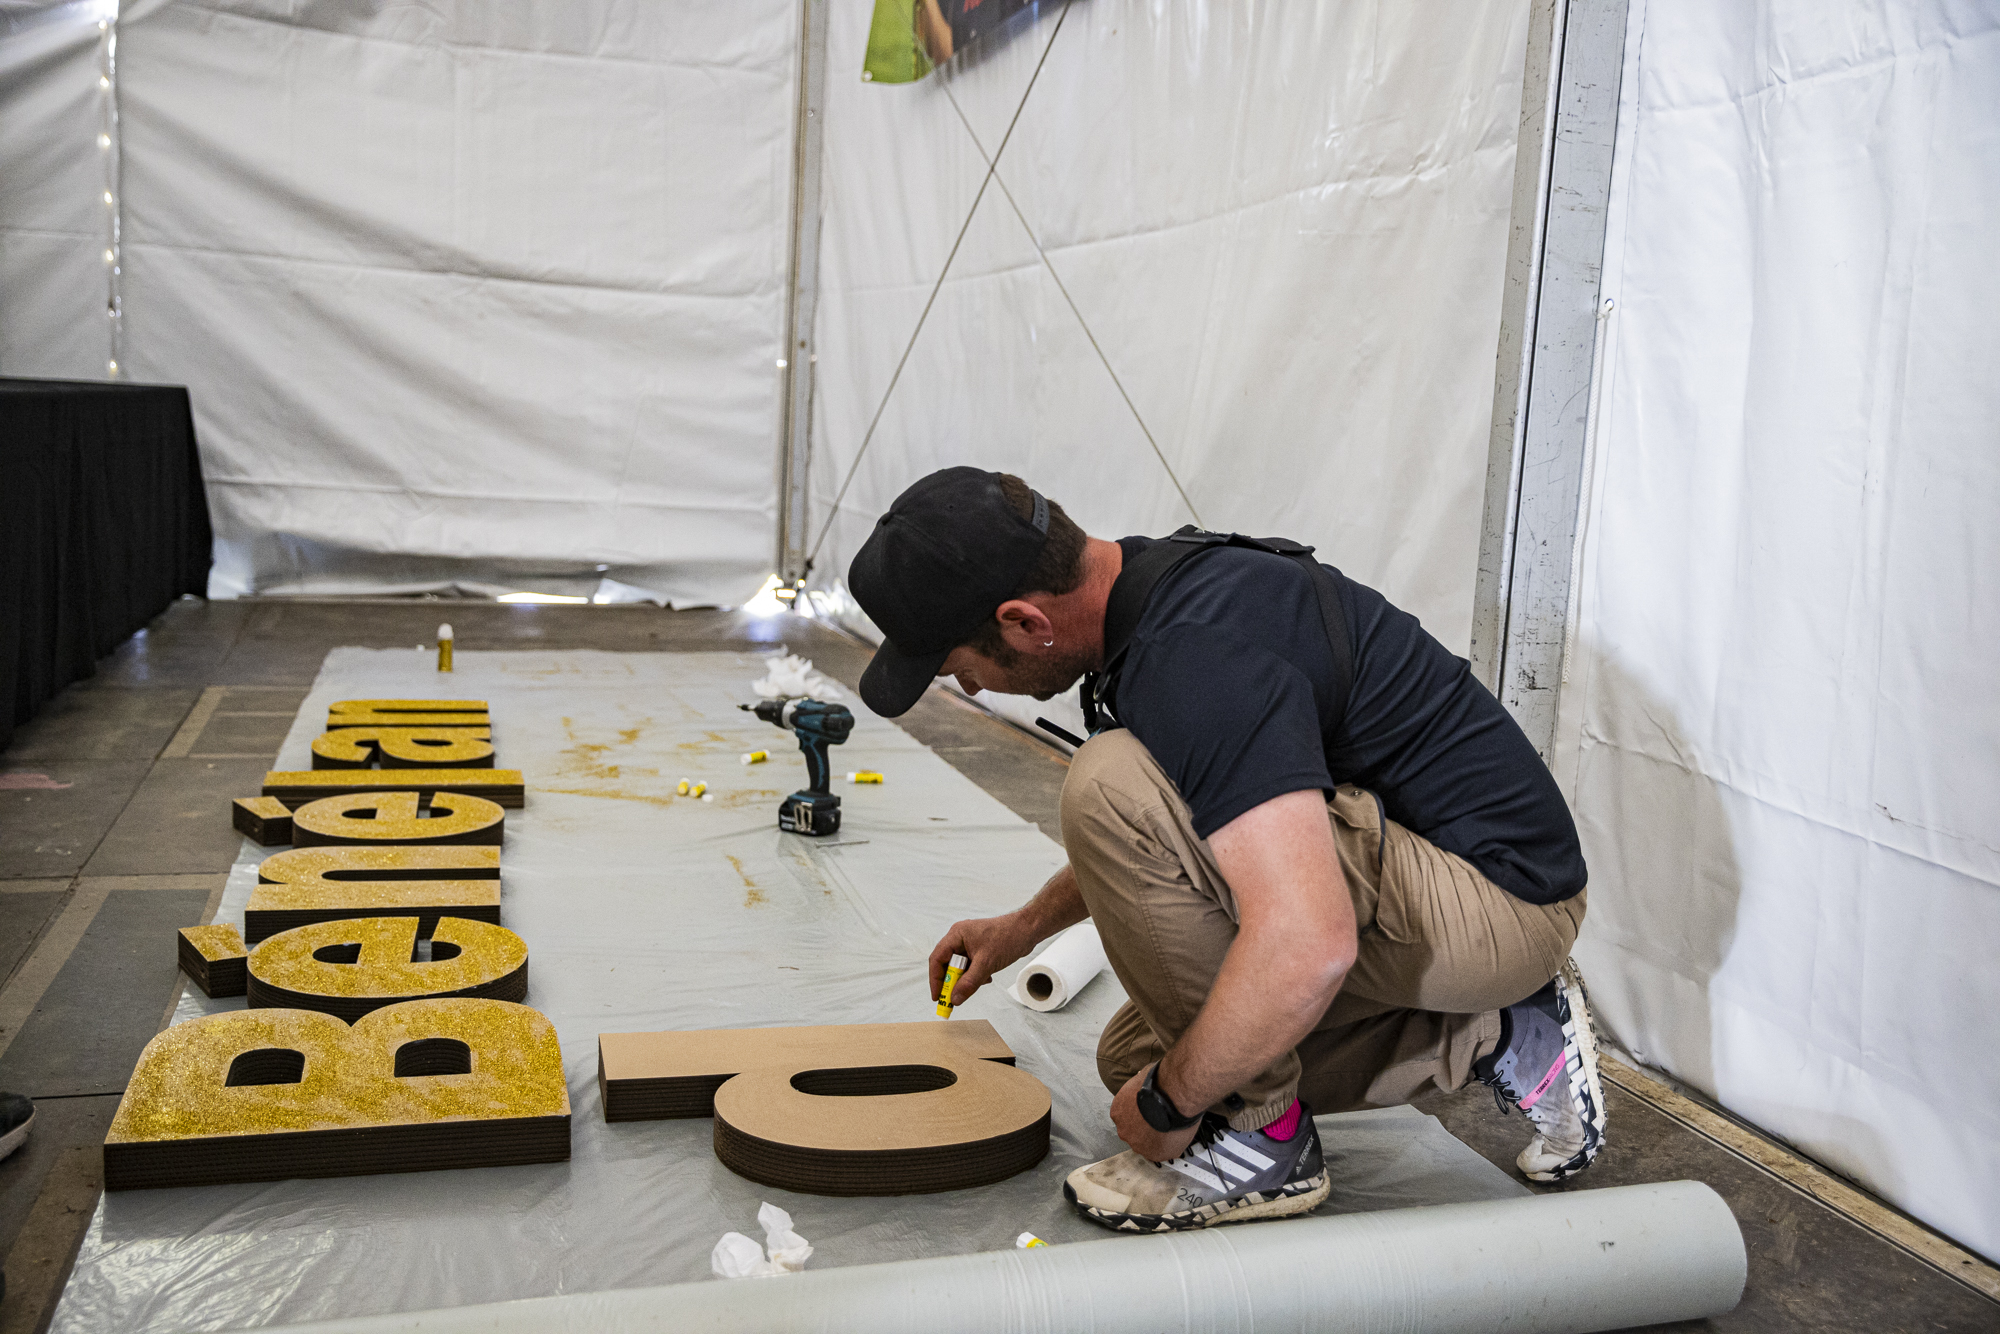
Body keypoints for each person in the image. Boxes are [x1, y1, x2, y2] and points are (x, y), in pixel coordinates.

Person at [848, 467, 1605, 1233]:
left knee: (1109, 791)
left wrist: (1173, 1104)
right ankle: (1502, 1032)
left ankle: (1260, 1143)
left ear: (1023, 622)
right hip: (1446, 878)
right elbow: (1183, 826)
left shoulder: (1195, 656)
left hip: (1502, 899)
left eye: (960, 668)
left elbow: (1307, 940)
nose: (974, 690)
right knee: (1137, 1060)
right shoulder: (1146, 596)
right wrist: (1024, 928)